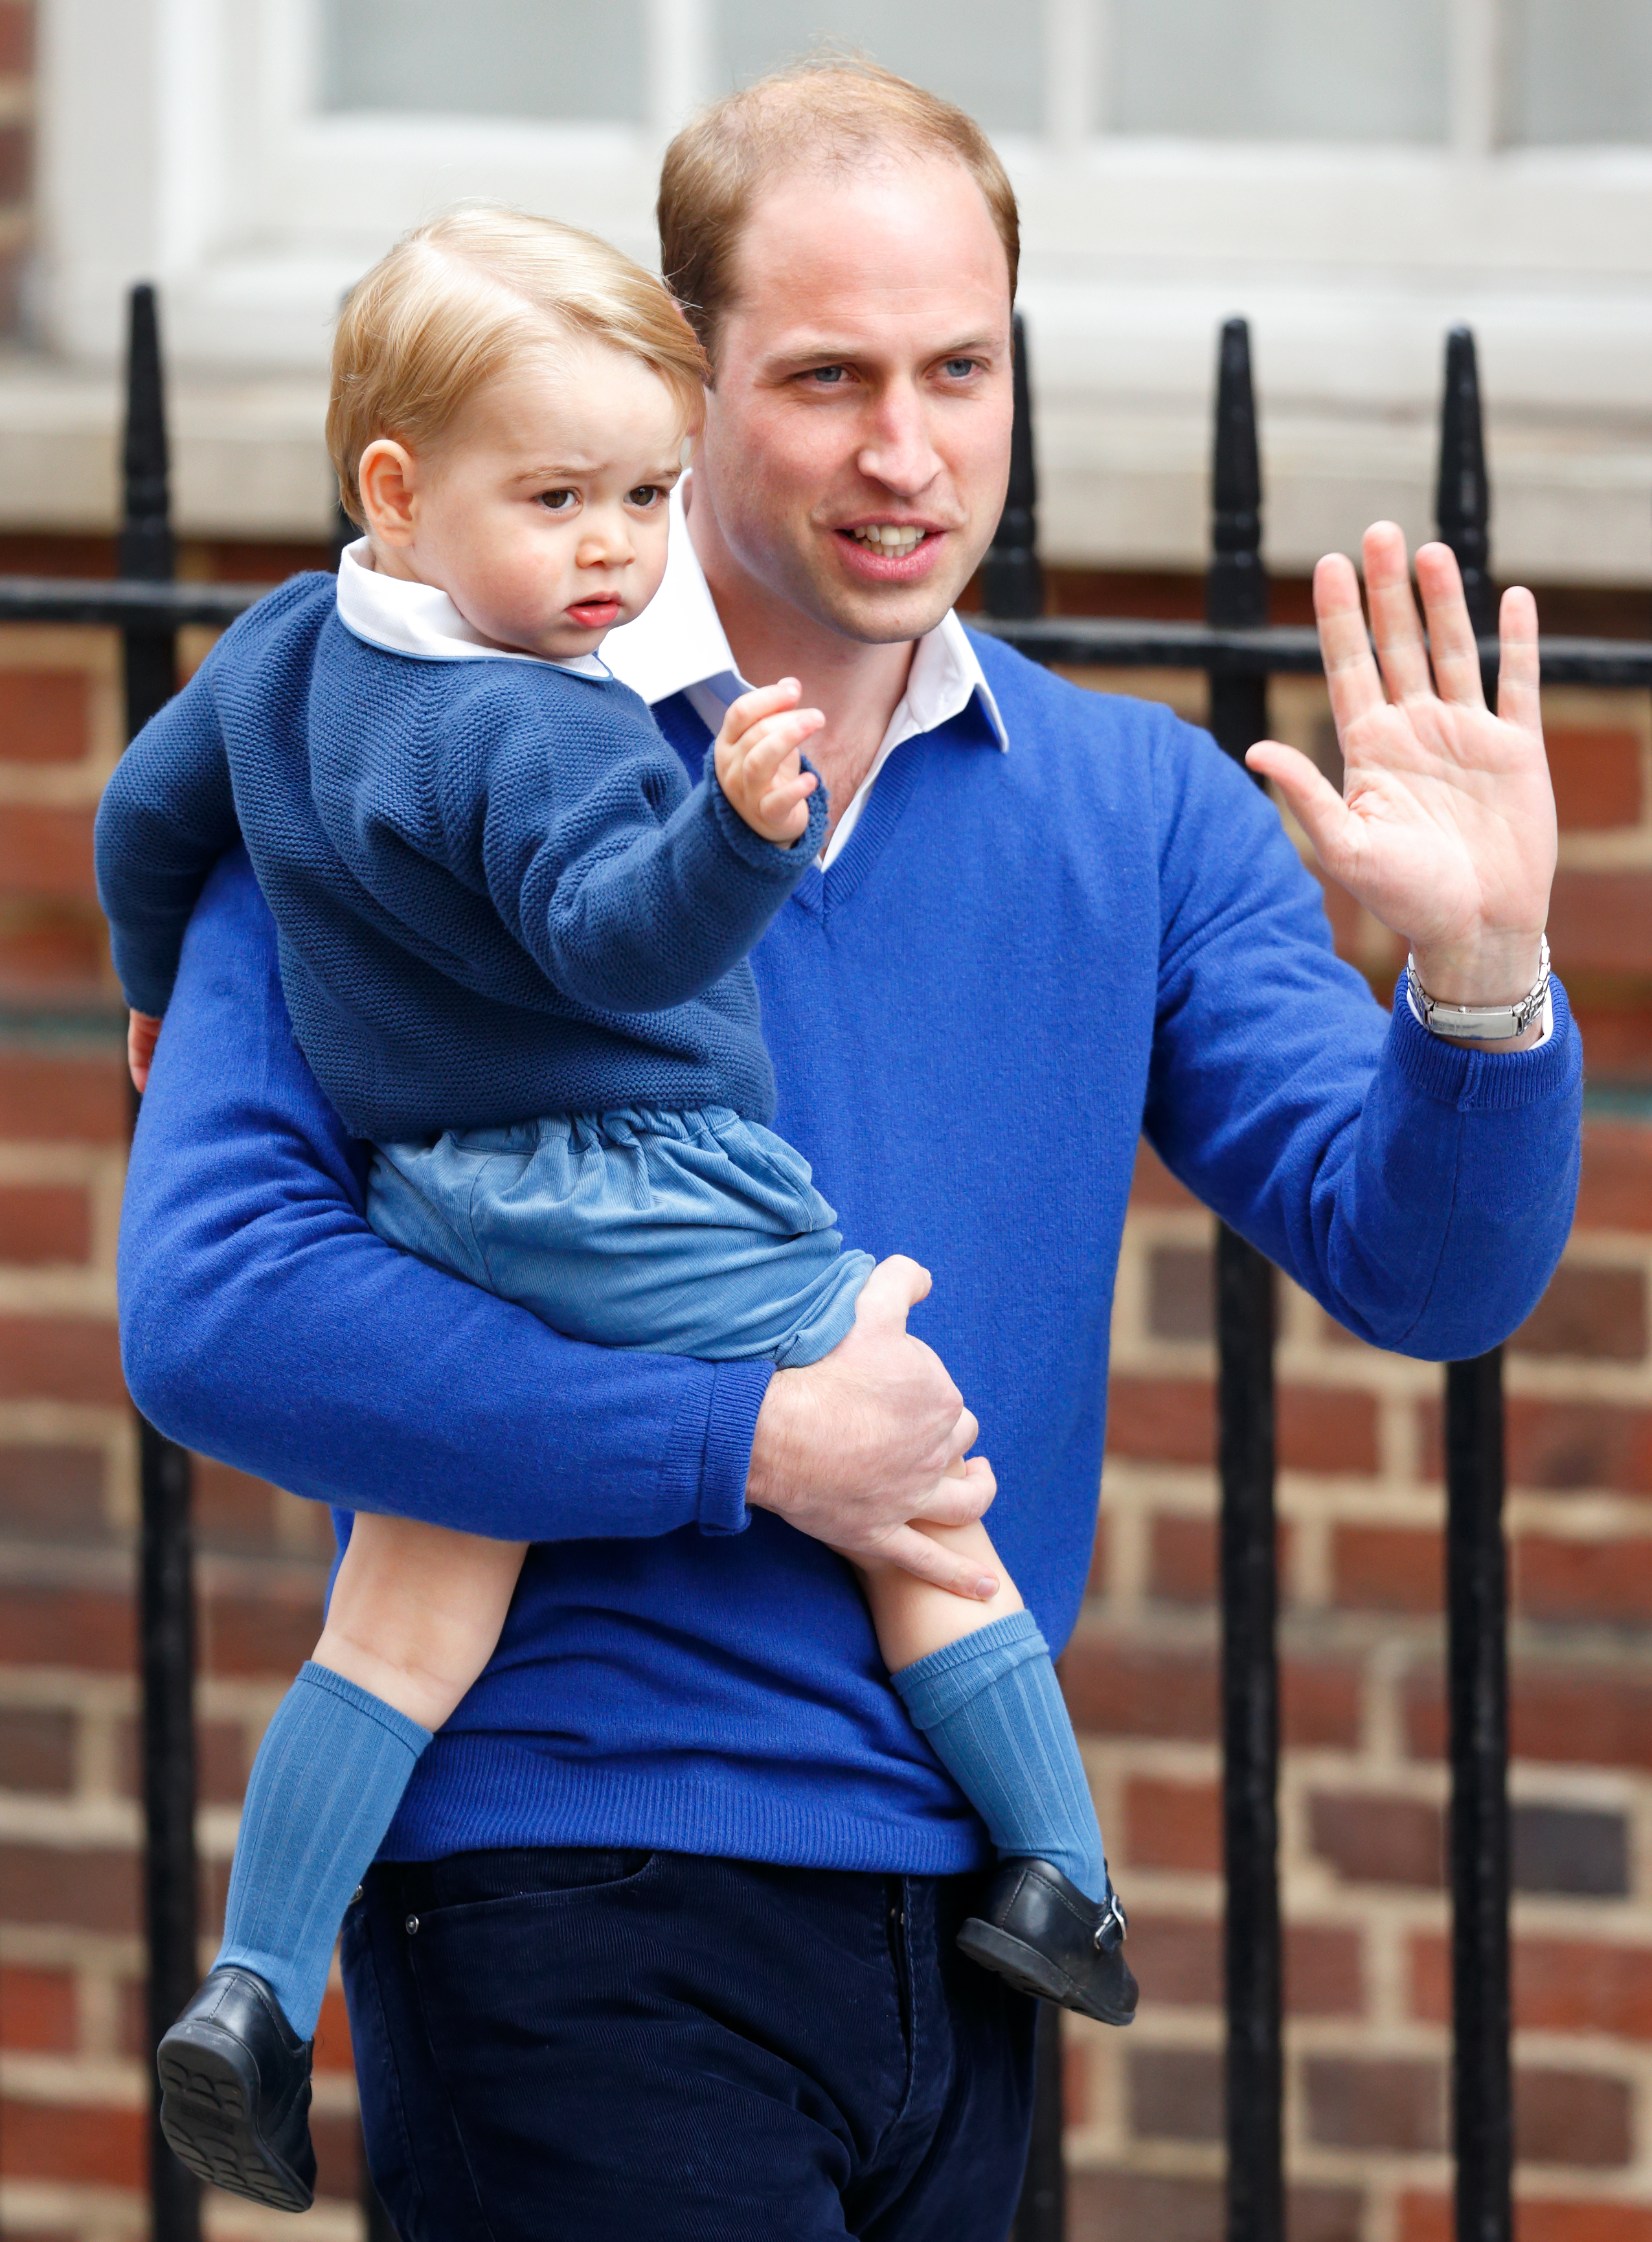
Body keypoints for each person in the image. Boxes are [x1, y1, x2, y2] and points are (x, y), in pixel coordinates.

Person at [115, 57, 1580, 2242]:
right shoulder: (396, 743)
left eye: (962, 368)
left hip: (962, 1923)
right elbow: (218, 1316)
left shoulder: (1144, 815)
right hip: (563, 1879)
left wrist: (1480, 974)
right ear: (685, 388)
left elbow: (1428, 1270)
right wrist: (752, 1441)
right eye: (826, 378)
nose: (910, 452)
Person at [98, 202, 1135, 2214]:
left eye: (647, 495)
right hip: (650, 1193)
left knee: (399, 1621)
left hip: (443, 1214)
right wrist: (746, 838)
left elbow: (150, 816)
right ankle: (1063, 1879)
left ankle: (248, 1991)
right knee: (920, 1488)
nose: (614, 553)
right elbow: (611, 936)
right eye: (561, 496)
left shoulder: (277, 657)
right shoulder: (549, 729)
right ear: (397, 489)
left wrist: (154, 980)